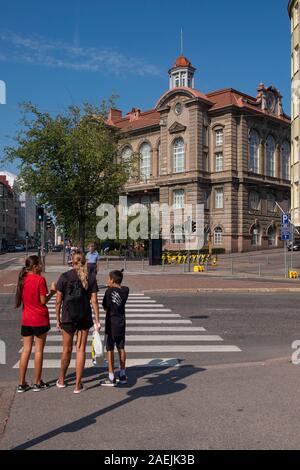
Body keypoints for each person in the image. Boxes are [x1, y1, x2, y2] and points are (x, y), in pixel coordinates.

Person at [55, 250, 101, 394]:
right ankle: (78, 385)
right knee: (80, 350)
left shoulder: (64, 277)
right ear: (84, 262)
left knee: (66, 350)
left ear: (72, 262)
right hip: (84, 317)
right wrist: (97, 320)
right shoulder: (91, 278)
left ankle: (61, 380)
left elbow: (58, 302)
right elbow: (94, 301)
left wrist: (57, 320)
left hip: (68, 318)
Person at [15, 255, 56, 393]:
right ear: (35, 266)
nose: (42, 266)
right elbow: (43, 301)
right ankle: (37, 382)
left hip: (26, 319)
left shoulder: (23, 279)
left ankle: (21, 383)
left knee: (26, 350)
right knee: (38, 350)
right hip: (39, 319)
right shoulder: (40, 280)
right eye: (40, 264)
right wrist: (53, 293)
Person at [101, 269, 129, 387]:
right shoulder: (125, 291)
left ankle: (111, 376)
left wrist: (109, 288)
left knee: (110, 348)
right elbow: (123, 287)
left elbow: (105, 307)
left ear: (112, 280)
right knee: (121, 347)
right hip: (121, 323)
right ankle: (122, 374)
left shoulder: (108, 292)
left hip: (111, 323)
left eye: (109, 278)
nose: (107, 280)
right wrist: (114, 285)